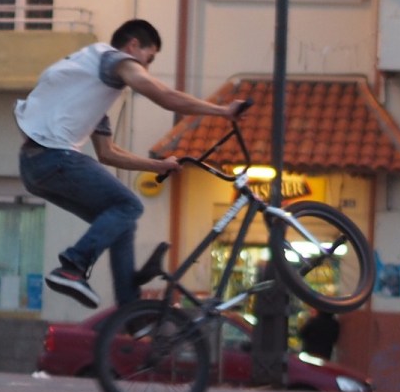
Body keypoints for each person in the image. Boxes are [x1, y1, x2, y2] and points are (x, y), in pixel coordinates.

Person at [14, 19, 244, 309]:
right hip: (55, 157)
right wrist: (223, 111)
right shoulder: (113, 59)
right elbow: (165, 96)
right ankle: (73, 266)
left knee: (121, 221)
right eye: (148, 59)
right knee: (129, 206)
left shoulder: (87, 85)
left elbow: (108, 153)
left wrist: (156, 166)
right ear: (133, 46)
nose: (145, 69)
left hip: (34, 168)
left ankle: (130, 311)